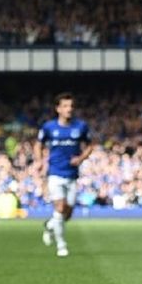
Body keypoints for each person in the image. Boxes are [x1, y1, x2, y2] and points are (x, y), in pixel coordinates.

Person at [35, 92, 93, 257]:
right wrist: (39, 161)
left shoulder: (80, 127)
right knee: (59, 208)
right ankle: (61, 245)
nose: (69, 109)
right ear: (58, 109)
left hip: (72, 175)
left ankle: (50, 225)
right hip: (55, 173)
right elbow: (38, 144)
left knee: (66, 214)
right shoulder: (49, 127)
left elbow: (90, 146)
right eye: (66, 106)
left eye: (71, 106)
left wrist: (81, 158)